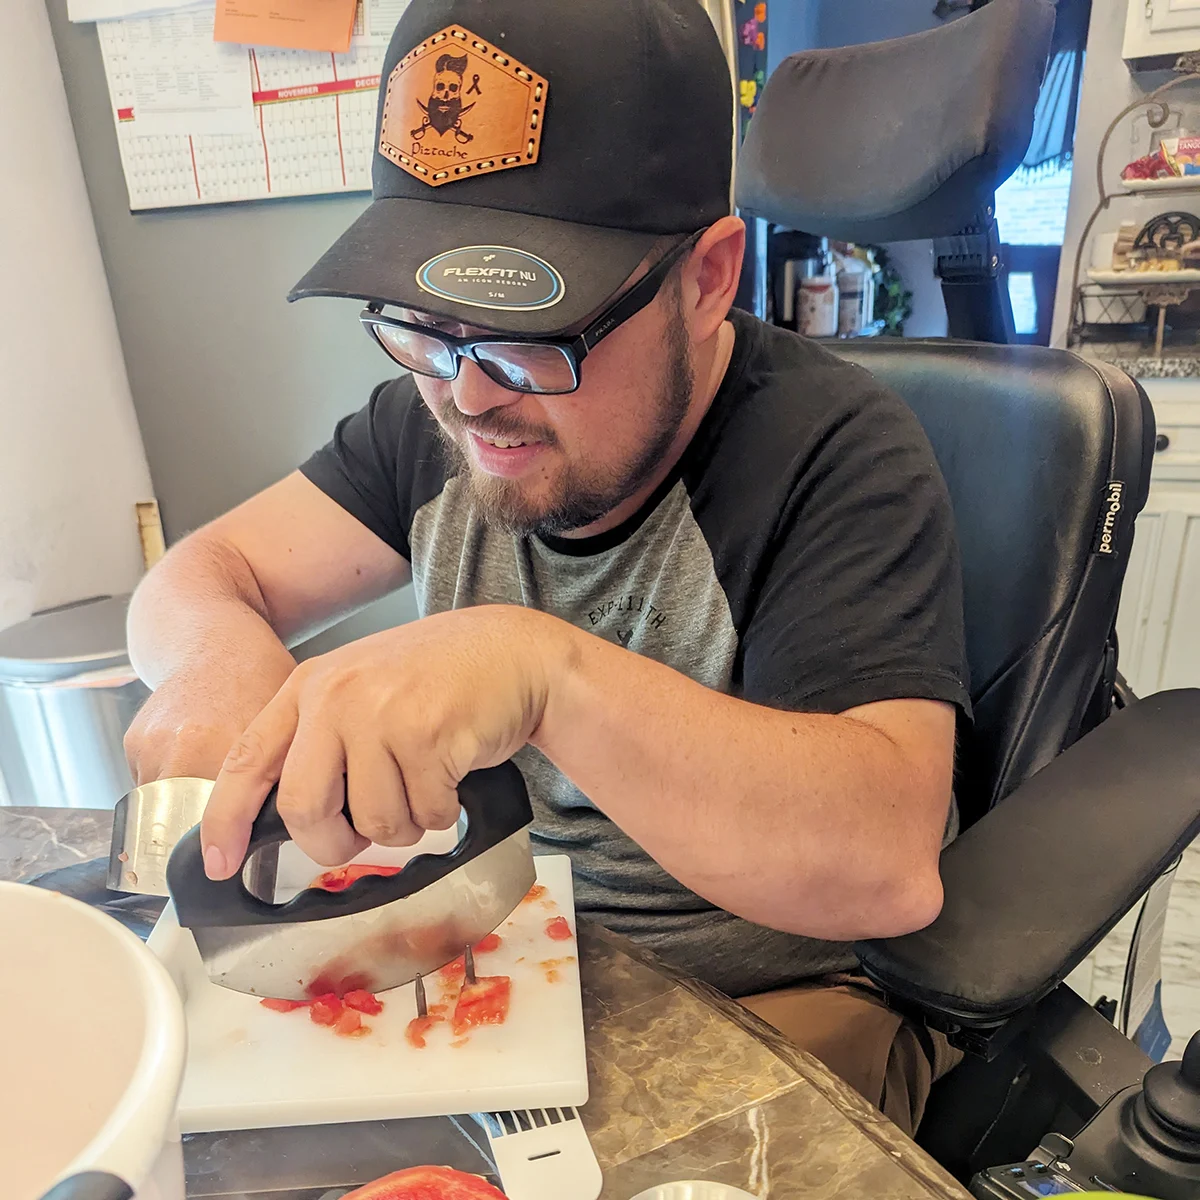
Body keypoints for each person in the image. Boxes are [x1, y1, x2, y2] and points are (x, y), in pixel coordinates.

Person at [124, 0, 970, 1135]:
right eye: (419, 323)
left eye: (533, 332)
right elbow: (205, 569)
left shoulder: (835, 456)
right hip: (518, 957)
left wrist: (542, 675)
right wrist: (212, 659)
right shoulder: (430, 417)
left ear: (707, 279)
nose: (469, 396)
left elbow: (882, 861)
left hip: (778, 1006)